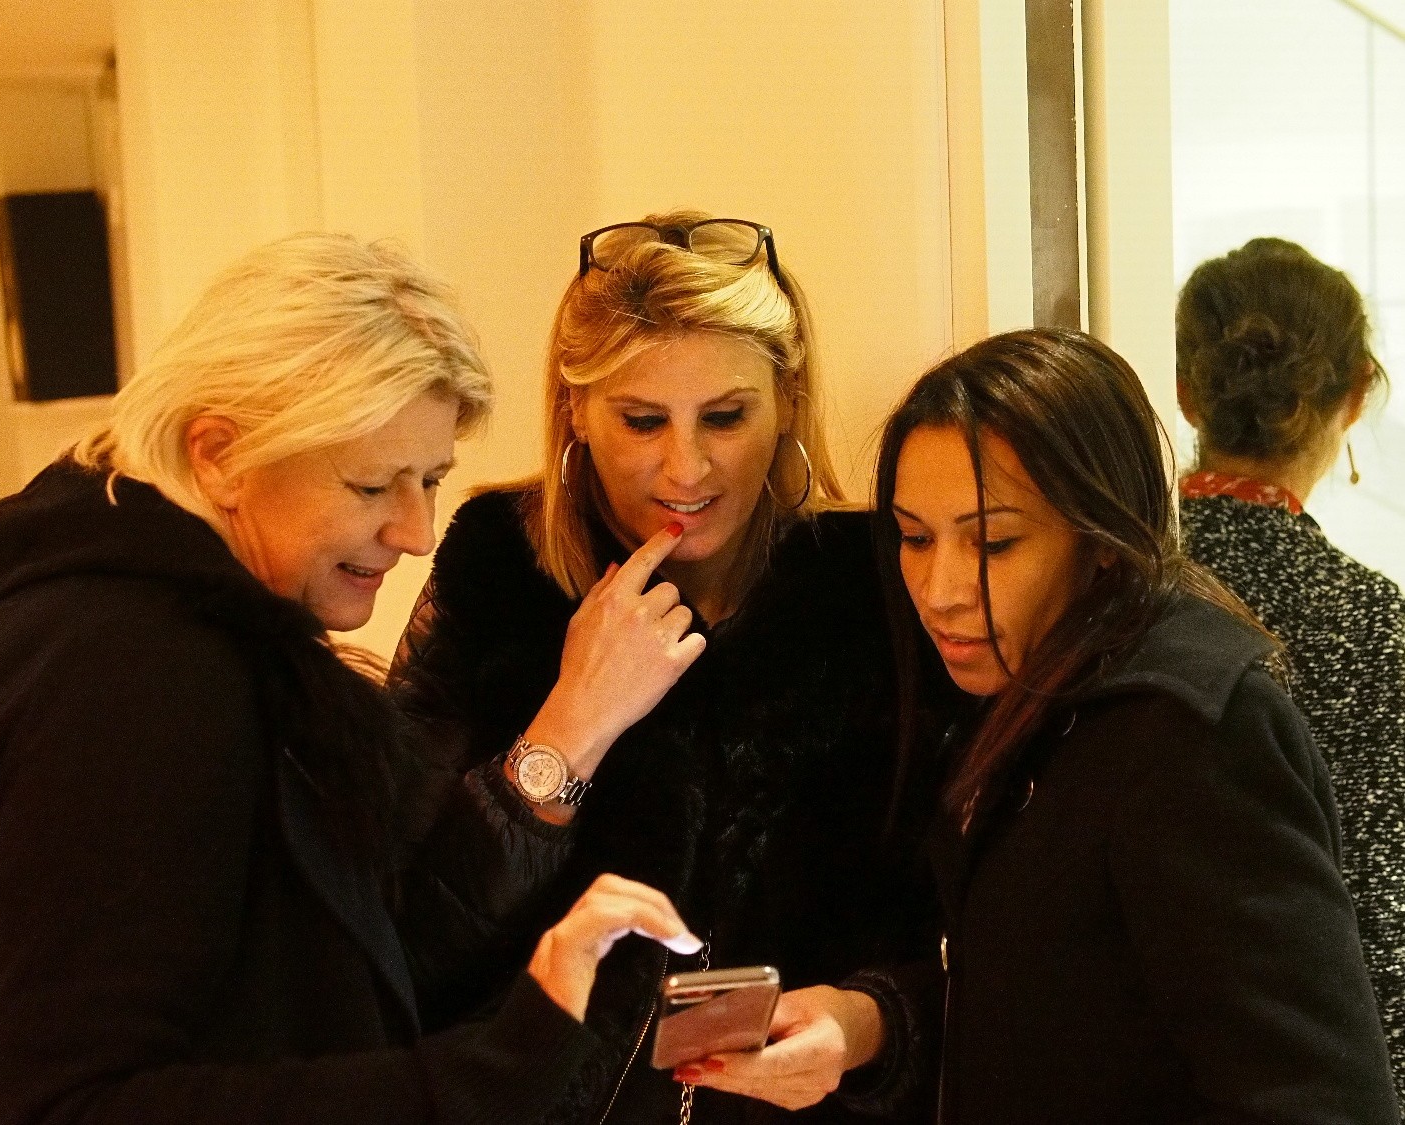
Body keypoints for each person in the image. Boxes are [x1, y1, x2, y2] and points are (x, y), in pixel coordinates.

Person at [0, 233, 706, 1125]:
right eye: (371, 486)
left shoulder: (101, 626)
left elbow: (336, 954)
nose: (416, 532)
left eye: (430, 479)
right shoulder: (139, 679)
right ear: (219, 454)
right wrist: (489, 1074)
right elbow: (69, 1103)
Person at [389, 212, 930, 1123]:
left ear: (787, 400)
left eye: (726, 416)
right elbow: (399, 933)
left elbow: (981, 919)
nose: (687, 466)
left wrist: (871, 1022)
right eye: (642, 421)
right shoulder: (499, 568)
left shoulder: (872, 583)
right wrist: (572, 723)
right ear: (575, 409)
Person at [853, 327, 1396, 1123]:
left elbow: (1317, 1097)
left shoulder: (1189, 733)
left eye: (994, 542)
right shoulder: (1027, 688)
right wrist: (868, 1025)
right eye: (914, 536)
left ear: (1102, 538)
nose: (940, 589)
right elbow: (1059, 1003)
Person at [1175, 236, 1405, 1100]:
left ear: (1186, 391)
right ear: (1356, 393)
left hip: (1141, 1058)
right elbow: (1380, 912)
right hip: (1316, 1072)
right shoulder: (1369, 616)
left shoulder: (1114, 580)